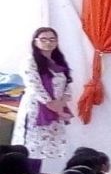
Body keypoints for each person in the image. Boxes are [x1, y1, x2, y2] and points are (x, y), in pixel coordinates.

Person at [12, 27, 73, 159]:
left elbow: (67, 84)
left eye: (52, 39)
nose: (48, 43)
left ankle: (40, 172)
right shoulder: (29, 62)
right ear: (35, 42)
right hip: (37, 109)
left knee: (47, 148)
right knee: (31, 148)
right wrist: (52, 104)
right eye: (43, 39)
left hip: (56, 109)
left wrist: (62, 102)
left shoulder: (58, 61)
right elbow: (34, 86)